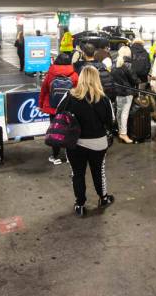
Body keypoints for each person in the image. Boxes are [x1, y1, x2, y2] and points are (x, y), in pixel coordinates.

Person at [58, 66, 115, 217]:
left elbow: (58, 114)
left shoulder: (70, 96)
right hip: (98, 142)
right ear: (97, 79)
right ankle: (103, 198)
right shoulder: (104, 99)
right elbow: (110, 122)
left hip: (75, 143)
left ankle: (80, 204)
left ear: (81, 77)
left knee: (77, 174)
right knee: (99, 172)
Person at [39, 53, 79, 165]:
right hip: (68, 107)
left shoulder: (50, 74)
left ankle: (55, 155)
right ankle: (68, 155)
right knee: (69, 129)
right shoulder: (74, 75)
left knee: (55, 130)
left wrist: (41, 105)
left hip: (53, 107)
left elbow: (44, 91)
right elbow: (78, 91)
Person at [112, 45, 140, 144]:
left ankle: (120, 131)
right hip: (127, 92)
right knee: (124, 113)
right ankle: (123, 134)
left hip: (117, 91)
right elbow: (135, 79)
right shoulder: (128, 64)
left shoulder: (114, 63)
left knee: (119, 112)